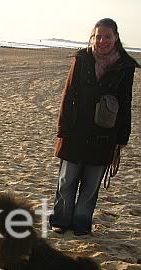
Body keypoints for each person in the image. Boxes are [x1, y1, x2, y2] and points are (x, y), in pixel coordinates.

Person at [50, 18, 139, 236]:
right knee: (66, 180)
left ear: (116, 38)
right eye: (98, 36)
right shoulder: (82, 58)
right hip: (75, 131)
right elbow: (68, 94)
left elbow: (125, 102)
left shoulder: (125, 66)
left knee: (90, 186)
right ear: (93, 37)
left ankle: (81, 223)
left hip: (104, 135)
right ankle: (61, 220)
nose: (102, 41)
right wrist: (63, 128)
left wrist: (121, 138)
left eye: (107, 36)